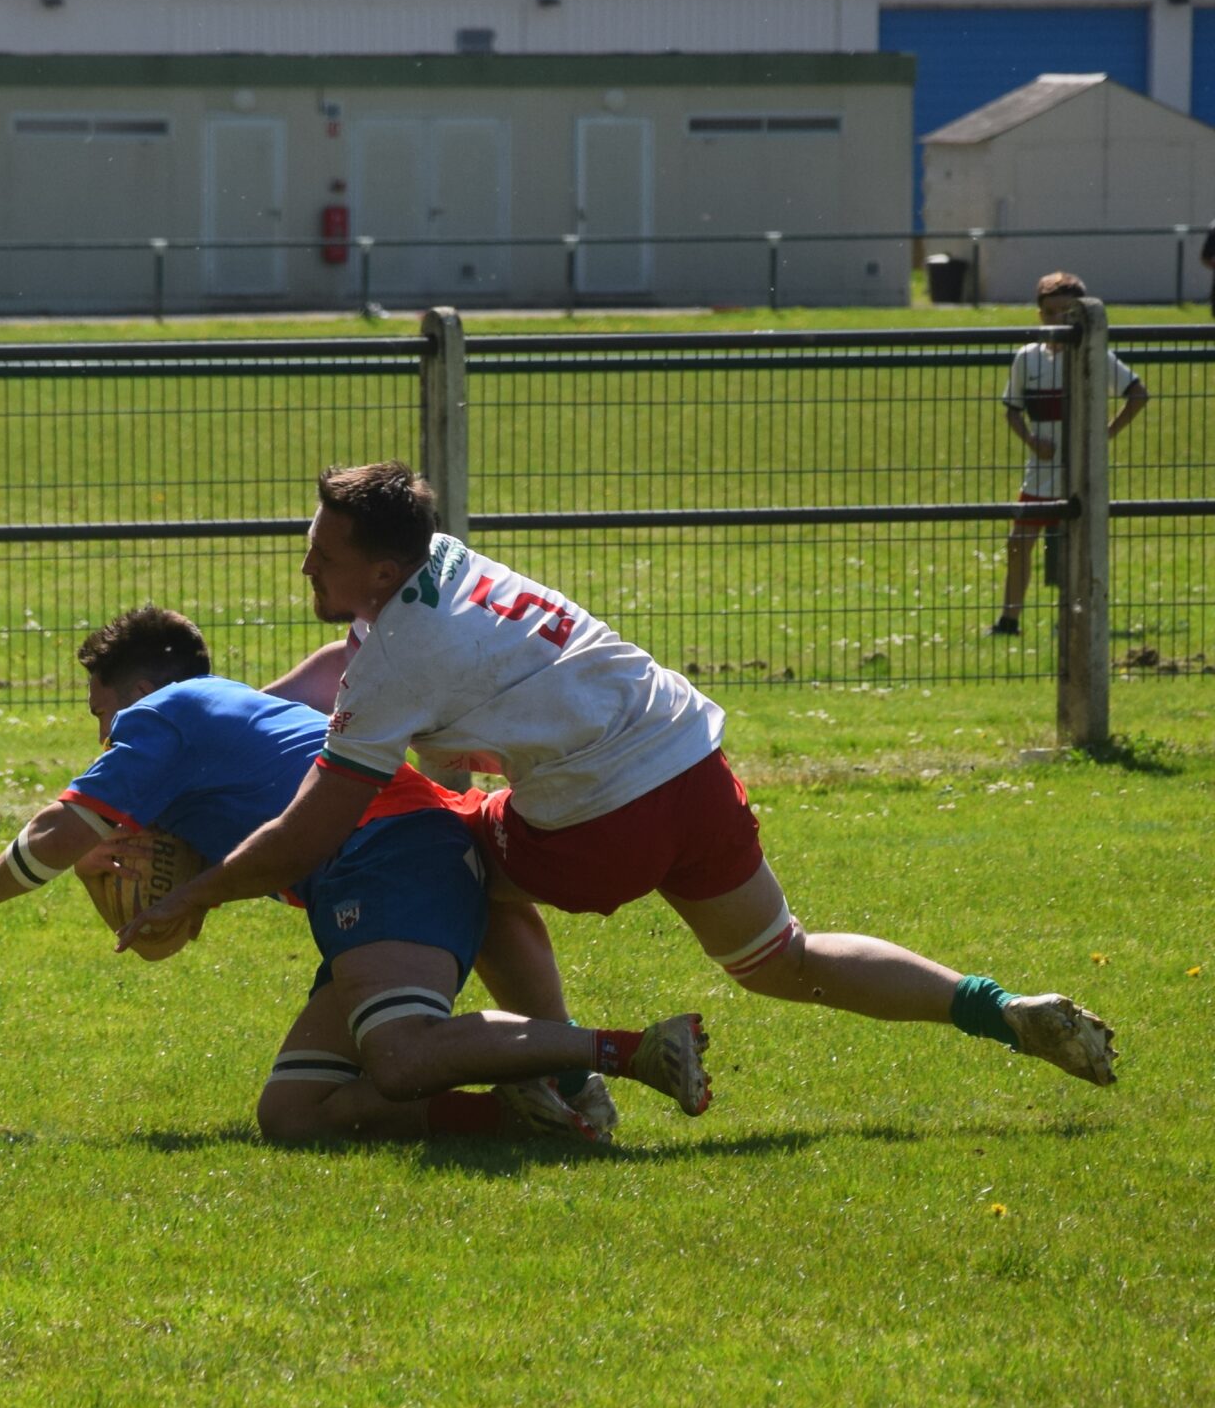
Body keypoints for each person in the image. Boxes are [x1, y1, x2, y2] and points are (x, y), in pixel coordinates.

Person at [124, 463, 1121, 1096]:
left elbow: (311, 829)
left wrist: (202, 888)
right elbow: (340, 672)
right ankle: (1000, 1009)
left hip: (602, 818)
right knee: (784, 958)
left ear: (380, 574)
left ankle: (561, 1072)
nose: (305, 572)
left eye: (318, 559)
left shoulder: (397, 660)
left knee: (433, 855)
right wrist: (230, 722)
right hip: (692, 765)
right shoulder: (448, 564)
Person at [0, 605, 712, 1146]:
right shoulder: (215, 740)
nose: (101, 732)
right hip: (389, 859)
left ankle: (626, 1050)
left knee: (399, 1053)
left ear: (142, 692)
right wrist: (105, 878)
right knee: (293, 1113)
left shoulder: (165, 715)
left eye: (99, 709)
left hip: (390, 850)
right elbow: (164, 937)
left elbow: (55, 826)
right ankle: (527, 1111)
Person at [990, 272, 1148, 637]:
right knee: (1018, 544)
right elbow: (1011, 409)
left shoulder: (1094, 355)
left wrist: (1103, 435)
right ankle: (1008, 621)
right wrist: (1031, 440)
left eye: (1066, 312)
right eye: (1049, 312)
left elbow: (1138, 394)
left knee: (1079, 548)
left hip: (1081, 472)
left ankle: (1079, 620)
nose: (1057, 320)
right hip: (1040, 470)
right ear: (1039, 314)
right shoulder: (1026, 358)